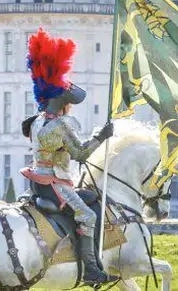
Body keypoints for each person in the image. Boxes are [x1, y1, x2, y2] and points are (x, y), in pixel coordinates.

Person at [20, 28, 119, 287]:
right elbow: (81, 154)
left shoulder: (36, 121)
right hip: (56, 184)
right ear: (61, 99)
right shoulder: (62, 125)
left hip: (38, 180)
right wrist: (102, 136)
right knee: (88, 216)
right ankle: (91, 272)